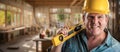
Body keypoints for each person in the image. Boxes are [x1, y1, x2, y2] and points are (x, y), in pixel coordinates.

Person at [50, 0, 120, 52]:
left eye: (100, 17)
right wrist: (59, 43)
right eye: (91, 17)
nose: (95, 22)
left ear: (106, 20)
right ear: (83, 19)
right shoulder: (69, 39)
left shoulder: (116, 48)